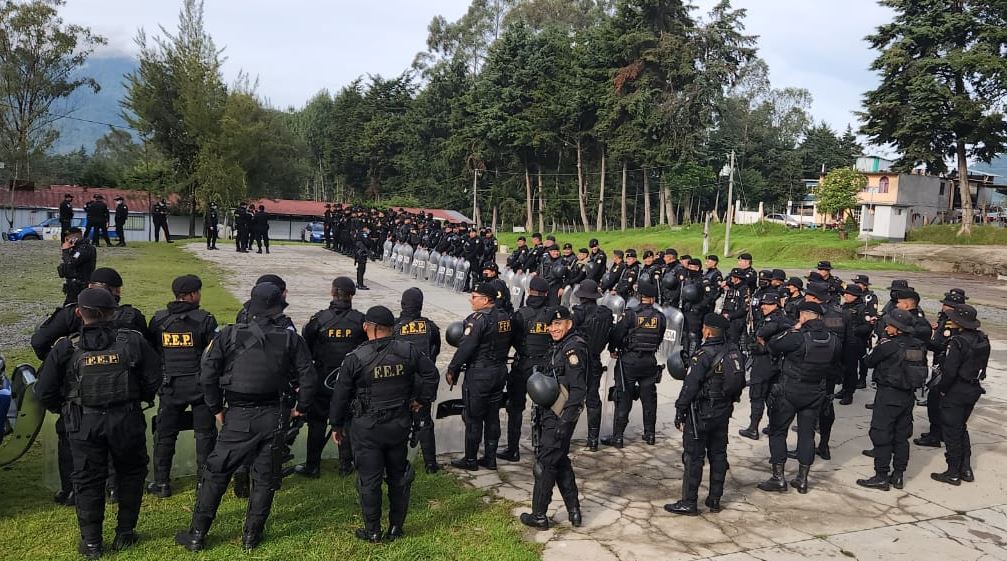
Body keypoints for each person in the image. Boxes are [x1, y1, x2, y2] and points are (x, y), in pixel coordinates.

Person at [174, 283, 316, 552]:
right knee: (264, 478)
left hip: (238, 415)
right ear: (277, 309)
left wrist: (216, 409)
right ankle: (251, 536)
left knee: (216, 473)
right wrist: (300, 409)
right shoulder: (290, 338)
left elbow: (207, 375)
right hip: (275, 415)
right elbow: (308, 377)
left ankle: (197, 534)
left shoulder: (228, 335)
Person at [35, 288, 162, 559]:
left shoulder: (65, 346)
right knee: (130, 474)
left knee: (87, 479)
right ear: (111, 313)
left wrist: (68, 407)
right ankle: (125, 533)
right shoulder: (132, 341)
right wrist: (136, 397)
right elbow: (154, 377)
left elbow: (44, 390)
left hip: (84, 422)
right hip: (126, 419)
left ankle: (92, 542)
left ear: (80, 313)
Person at [329, 305, 439, 542]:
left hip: (367, 428)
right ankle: (396, 527)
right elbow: (431, 374)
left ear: (369, 326)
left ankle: (373, 530)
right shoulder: (407, 351)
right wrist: (421, 400)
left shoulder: (355, 358)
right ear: (391, 327)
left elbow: (340, 395)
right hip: (398, 424)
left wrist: (337, 426)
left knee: (369, 480)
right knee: (398, 476)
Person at [146, 275, 219, 498]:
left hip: (170, 386)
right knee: (205, 435)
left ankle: (161, 483)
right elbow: (213, 356)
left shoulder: (159, 320)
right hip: (199, 387)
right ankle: (203, 484)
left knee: (165, 435)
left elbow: (152, 352)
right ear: (191, 295)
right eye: (198, 291)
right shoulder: (206, 319)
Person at [759, 302, 840, 494]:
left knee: (778, 432)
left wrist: (795, 329)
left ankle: (778, 478)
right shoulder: (833, 339)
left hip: (790, 389)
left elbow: (773, 345)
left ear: (803, 316)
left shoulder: (797, 337)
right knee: (807, 434)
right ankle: (802, 479)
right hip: (815, 391)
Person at [665, 314, 742, 515]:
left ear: (708, 331)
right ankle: (715, 499)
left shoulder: (703, 355)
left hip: (701, 412)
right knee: (718, 454)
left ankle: (689, 502)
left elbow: (690, 386)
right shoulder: (734, 351)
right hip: (723, 410)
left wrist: (680, 409)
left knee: (694, 457)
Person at [519, 306, 587, 530]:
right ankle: (574, 511)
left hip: (561, 416)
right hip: (551, 414)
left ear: (569, 323)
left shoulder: (573, 348)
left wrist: (566, 421)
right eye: (550, 325)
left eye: (558, 324)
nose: (553, 329)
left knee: (544, 465)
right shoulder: (560, 345)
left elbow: (578, 390)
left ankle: (539, 515)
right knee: (560, 461)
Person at [296, 277, 367, 478]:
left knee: (317, 422)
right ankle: (346, 464)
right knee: (346, 421)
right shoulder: (360, 321)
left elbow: (306, 349)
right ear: (352, 294)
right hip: (349, 380)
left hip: (322, 377)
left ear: (332, 292)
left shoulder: (317, 320)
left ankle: (313, 466)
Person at [856, 308, 928, 491]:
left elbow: (868, 361)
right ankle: (898, 475)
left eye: (890, 325)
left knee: (881, 434)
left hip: (889, 394)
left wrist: (879, 345)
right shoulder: (918, 345)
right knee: (901, 437)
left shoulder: (888, 345)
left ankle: (881, 475)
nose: (887, 327)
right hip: (907, 396)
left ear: (898, 328)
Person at [446, 283, 513, 470]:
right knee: (492, 417)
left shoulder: (477, 320)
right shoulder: (504, 317)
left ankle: (470, 459)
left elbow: (466, 347)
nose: (470, 299)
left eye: (474, 297)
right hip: (499, 372)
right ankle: (490, 459)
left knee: (473, 417)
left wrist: (453, 369)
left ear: (485, 300)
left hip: (480, 374)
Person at [602, 281, 666, 447]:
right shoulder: (661, 317)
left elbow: (617, 333)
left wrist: (612, 349)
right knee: (649, 399)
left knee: (623, 397)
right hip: (650, 361)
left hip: (629, 360)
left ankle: (617, 437)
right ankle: (650, 434)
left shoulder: (630, 314)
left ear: (639, 296)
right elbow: (659, 338)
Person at [931, 304, 989, 486]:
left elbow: (950, 371)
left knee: (951, 432)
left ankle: (953, 471)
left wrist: (942, 389)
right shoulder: (982, 338)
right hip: (972, 388)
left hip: (956, 390)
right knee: (961, 428)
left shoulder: (958, 342)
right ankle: (965, 468)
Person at [500, 277, 553, 462]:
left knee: (515, 408)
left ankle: (513, 450)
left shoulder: (520, 314)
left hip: (523, 364)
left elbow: (509, 340)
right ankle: (543, 449)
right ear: (546, 294)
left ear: (529, 292)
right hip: (546, 366)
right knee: (546, 408)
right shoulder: (553, 314)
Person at [393, 288, 442, 473]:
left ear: (402, 304)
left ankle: (398, 464)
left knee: (398, 422)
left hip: (400, 382)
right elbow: (435, 350)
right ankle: (431, 465)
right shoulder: (430, 327)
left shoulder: (394, 327)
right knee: (424, 422)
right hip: (423, 382)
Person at [739, 288, 793, 440]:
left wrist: (760, 338)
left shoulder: (774, 320)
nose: (764, 306)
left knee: (757, 395)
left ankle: (753, 428)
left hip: (764, 363)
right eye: (763, 304)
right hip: (776, 364)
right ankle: (772, 426)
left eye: (768, 304)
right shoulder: (784, 318)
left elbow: (763, 333)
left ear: (776, 305)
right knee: (772, 396)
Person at [916, 289, 968, 448]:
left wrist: (923, 341)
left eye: (947, 305)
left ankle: (935, 435)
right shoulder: (947, 318)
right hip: (945, 364)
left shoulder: (952, 324)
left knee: (935, 402)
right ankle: (938, 432)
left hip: (945, 366)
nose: (944, 307)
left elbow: (941, 346)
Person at [571, 280, 613, 452]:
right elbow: (612, 333)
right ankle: (593, 439)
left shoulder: (578, 313)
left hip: (578, 360)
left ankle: (564, 435)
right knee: (593, 398)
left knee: (572, 397)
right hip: (595, 359)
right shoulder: (606, 313)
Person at [837, 284, 872, 404]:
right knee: (843, 368)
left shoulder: (862, 308)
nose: (845, 295)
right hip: (843, 341)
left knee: (851, 369)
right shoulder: (844, 306)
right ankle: (844, 389)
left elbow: (867, 326)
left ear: (856, 296)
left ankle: (849, 393)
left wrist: (853, 331)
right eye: (845, 293)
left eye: (848, 294)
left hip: (854, 343)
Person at [58, 227, 97, 305]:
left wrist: (65, 251)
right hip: (74, 285)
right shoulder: (76, 248)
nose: (67, 239)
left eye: (68, 237)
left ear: (75, 236)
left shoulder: (85, 248)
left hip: (81, 285)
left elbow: (71, 263)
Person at [720, 269, 750, 345]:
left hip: (736, 321)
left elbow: (744, 308)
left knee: (733, 342)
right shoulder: (732, 288)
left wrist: (730, 316)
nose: (731, 279)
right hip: (727, 320)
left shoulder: (744, 290)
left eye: (732, 277)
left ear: (736, 278)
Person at [354, 224, 371, 290]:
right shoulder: (364, 234)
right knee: (362, 269)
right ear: (365, 228)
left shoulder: (358, 233)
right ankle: (360, 284)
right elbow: (367, 243)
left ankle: (358, 283)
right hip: (362, 252)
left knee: (359, 269)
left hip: (358, 252)